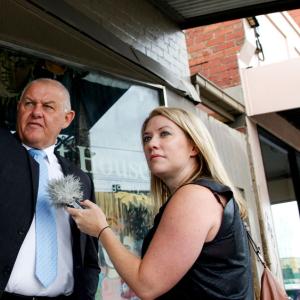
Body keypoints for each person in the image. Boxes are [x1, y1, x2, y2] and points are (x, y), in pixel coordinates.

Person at [68, 106, 253, 299]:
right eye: (147, 138)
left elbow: (147, 285)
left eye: (164, 134)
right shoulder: (207, 194)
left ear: (194, 146)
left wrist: (101, 230)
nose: (151, 144)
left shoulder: (194, 197)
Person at [0, 78, 100, 299]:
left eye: (47, 106)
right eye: (29, 103)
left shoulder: (79, 179)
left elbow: (89, 254)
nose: (36, 112)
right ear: (18, 109)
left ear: (67, 118)